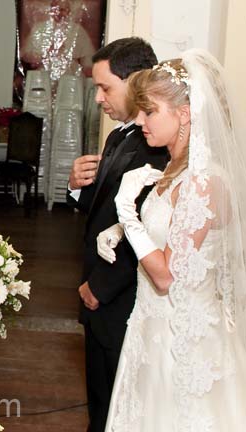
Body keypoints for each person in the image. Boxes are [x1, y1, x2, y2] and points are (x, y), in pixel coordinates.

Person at [99, 50, 246, 431]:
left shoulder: (204, 182)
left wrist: (126, 214)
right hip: (150, 327)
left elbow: (166, 276)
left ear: (184, 114)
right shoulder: (174, 171)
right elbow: (169, 233)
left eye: (150, 111)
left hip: (182, 341)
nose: (142, 121)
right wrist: (118, 231)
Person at [66, 37, 169, 432]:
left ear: (138, 80)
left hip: (119, 296)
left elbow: (146, 228)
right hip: (98, 294)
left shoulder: (156, 148)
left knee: (118, 401)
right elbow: (106, 209)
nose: (98, 99)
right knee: (101, 396)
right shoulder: (118, 136)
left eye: (105, 87)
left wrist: (101, 286)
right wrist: (78, 187)